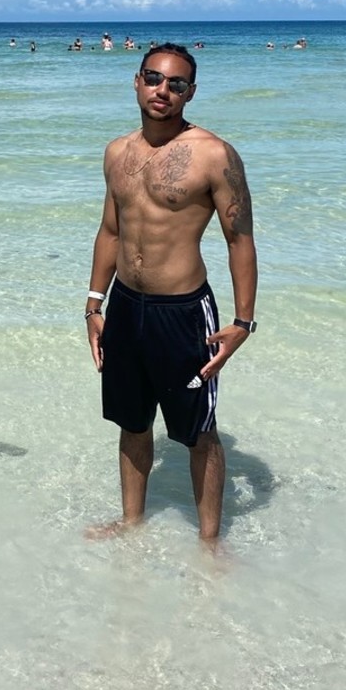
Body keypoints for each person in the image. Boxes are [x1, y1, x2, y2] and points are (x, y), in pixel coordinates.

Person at [84, 42, 257, 546]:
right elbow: (110, 230)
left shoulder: (214, 155)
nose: (163, 90)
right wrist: (94, 303)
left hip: (183, 311)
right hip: (125, 306)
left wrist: (242, 323)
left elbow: (240, 240)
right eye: (154, 78)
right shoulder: (117, 152)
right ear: (137, 81)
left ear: (190, 93)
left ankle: (210, 544)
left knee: (198, 433)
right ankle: (132, 523)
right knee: (132, 422)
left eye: (176, 84)